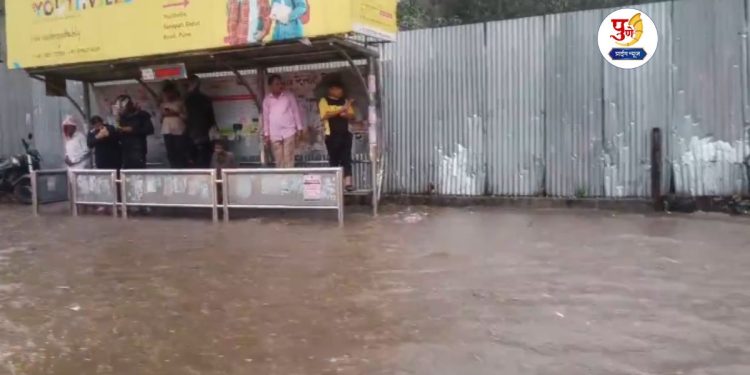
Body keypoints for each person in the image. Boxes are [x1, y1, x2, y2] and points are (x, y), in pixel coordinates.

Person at [319, 82, 355, 191]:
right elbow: (324, 115)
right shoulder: (324, 101)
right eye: (339, 89)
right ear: (331, 89)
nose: (341, 91)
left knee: (346, 158)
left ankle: (348, 183)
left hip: (345, 133)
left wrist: (346, 114)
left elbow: (352, 115)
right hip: (332, 135)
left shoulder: (345, 101)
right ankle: (335, 185)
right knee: (334, 159)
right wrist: (341, 109)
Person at [263, 74, 304, 168]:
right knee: (279, 159)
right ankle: (281, 180)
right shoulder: (267, 100)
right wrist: (266, 134)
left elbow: (295, 111)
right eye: (277, 84)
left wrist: (299, 128)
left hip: (289, 131)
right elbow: (265, 118)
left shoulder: (288, 96)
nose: (280, 86)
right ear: (270, 86)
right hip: (274, 133)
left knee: (289, 157)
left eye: (281, 84)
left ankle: (290, 180)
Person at [185, 74, 217, 168]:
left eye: (187, 84)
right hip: (204, 134)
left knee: (194, 160)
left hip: (193, 134)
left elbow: (188, 117)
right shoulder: (206, 99)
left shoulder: (188, 99)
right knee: (204, 160)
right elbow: (211, 118)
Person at [115, 95, 154, 169]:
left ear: (130, 104)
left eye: (123, 105)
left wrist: (133, 130)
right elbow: (117, 130)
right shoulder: (121, 117)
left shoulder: (142, 115)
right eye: (119, 106)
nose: (121, 108)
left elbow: (150, 130)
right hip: (124, 149)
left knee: (138, 172)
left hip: (138, 148)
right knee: (126, 173)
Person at [160, 82, 190, 168]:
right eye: (166, 93)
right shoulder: (163, 104)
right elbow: (161, 119)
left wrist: (176, 113)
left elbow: (186, 117)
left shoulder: (180, 103)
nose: (168, 95)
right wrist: (164, 114)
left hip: (179, 130)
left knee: (180, 151)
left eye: (169, 92)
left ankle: (182, 168)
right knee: (170, 152)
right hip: (167, 130)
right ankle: (173, 168)